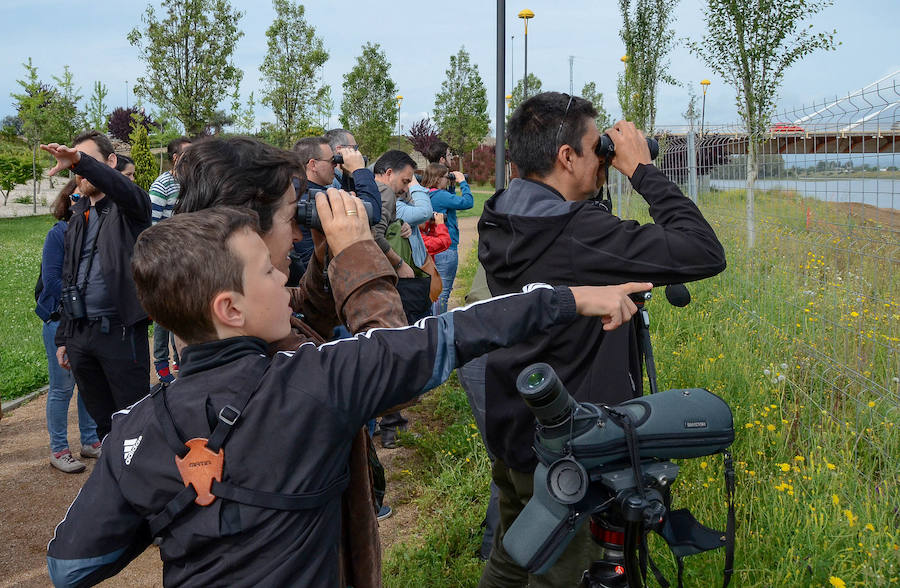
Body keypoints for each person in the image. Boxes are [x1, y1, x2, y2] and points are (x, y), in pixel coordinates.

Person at [46, 202, 652, 587]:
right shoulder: (319, 380)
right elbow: (454, 332)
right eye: (267, 271)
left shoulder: (132, 429)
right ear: (229, 308)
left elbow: (70, 566)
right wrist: (572, 299)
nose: (284, 276)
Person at [476, 92, 727, 587]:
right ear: (566, 157)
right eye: (599, 149)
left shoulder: (501, 214)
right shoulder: (579, 232)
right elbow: (704, 251)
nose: (605, 159)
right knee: (560, 574)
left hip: (512, 422)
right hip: (570, 446)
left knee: (513, 555)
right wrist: (642, 170)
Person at [173, 136, 406, 587]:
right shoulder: (251, 346)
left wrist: (325, 254)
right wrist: (357, 250)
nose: (297, 232)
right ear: (248, 231)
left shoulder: (225, 302)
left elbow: (298, 318)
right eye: (289, 217)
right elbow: (394, 367)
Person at [45, 131, 152, 441]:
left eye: (87, 162)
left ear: (111, 163)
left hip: (119, 333)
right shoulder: (79, 215)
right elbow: (69, 275)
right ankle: (114, 479)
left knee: (134, 421)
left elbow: (121, 187)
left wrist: (80, 160)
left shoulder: (131, 207)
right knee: (104, 426)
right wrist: (64, 337)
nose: (79, 172)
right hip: (80, 336)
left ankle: (140, 483)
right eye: (75, 167)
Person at [35, 179, 100, 473]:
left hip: (88, 319)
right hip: (61, 320)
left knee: (88, 384)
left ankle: (90, 441)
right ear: (68, 200)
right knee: (63, 387)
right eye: (76, 197)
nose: (82, 202)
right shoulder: (58, 233)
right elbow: (52, 283)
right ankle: (59, 448)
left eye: (87, 197)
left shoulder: (96, 234)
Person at [147, 137, 191, 383]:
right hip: (167, 258)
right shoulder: (162, 185)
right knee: (165, 313)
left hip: (188, 258)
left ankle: (180, 360)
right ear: (176, 158)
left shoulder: (191, 183)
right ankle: (161, 362)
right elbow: (152, 225)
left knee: (183, 311)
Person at [423, 162, 474, 314]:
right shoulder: (440, 195)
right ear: (438, 179)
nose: (448, 179)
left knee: (433, 290)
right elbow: (467, 202)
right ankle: (439, 327)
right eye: (446, 177)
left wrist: (451, 186)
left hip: (432, 246)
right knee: (443, 293)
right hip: (446, 248)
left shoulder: (425, 193)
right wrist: (462, 182)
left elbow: (449, 203)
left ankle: (430, 323)